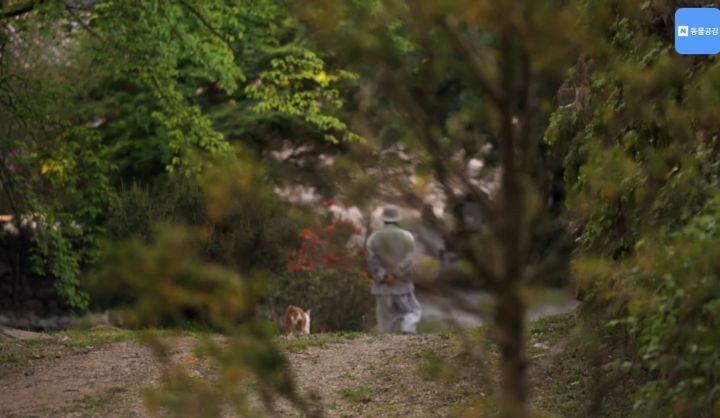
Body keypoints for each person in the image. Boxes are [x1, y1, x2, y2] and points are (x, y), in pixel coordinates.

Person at [366, 204, 421, 334]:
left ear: (383, 219)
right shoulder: (407, 237)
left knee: (385, 322)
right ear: (398, 219)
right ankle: (408, 330)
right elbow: (409, 259)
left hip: (382, 287)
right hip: (402, 286)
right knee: (412, 311)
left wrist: (384, 275)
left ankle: (385, 348)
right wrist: (396, 274)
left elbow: (371, 260)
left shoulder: (373, 238)